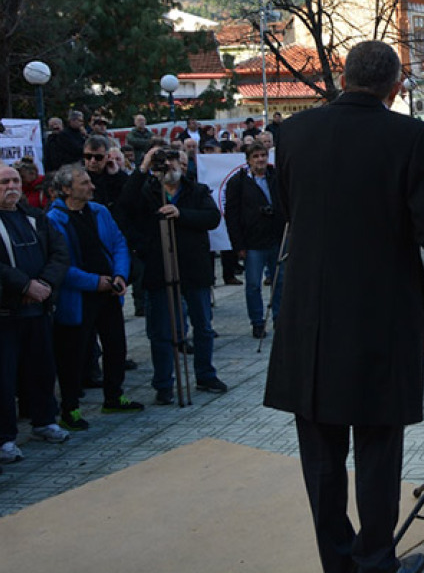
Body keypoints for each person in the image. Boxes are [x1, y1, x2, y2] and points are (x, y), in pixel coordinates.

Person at [264, 41, 424, 573]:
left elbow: (289, 211)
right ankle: (376, 560)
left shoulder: (292, 133)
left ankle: (338, 562)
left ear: (343, 75)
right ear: (396, 87)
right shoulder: (410, 135)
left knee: (321, 453)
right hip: (379, 313)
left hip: (309, 317)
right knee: (378, 447)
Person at [118, 145, 227, 404]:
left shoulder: (196, 190)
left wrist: (181, 215)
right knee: (161, 330)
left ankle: (205, 374)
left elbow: (212, 218)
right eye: (164, 162)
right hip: (159, 266)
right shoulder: (148, 191)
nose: (170, 166)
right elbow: (125, 206)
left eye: (174, 161)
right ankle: (164, 383)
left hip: (193, 267)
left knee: (202, 326)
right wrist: (143, 167)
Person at [46, 164, 144, 431]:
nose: (91, 186)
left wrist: (120, 275)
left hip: (109, 292)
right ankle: (70, 409)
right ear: (66, 189)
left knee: (116, 346)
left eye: (90, 181)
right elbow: (61, 263)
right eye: (84, 183)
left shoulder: (100, 211)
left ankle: (113, 396)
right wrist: (94, 283)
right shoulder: (54, 220)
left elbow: (119, 244)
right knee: (74, 354)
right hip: (78, 298)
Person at [0, 164, 72, 464]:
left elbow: (60, 253)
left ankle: (45, 421)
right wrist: (24, 285)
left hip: (38, 310)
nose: (11, 186)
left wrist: (44, 284)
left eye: (15, 180)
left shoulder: (35, 216)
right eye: (4, 182)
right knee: (4, 379)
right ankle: (4, 438)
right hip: (6, 314)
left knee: (42, 368)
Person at [225, 143, 286, 339]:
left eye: (263, 155)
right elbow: (232, 216)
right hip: (252, 242)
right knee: (253, 285)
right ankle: (257, 322)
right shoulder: (238, 182)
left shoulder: (276, 177)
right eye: (256, 156)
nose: (260, 159)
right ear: (249, 160)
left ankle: (280, 318)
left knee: (280, 281)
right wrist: (238, 245)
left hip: (276, 238)